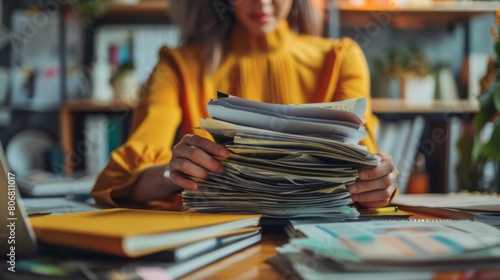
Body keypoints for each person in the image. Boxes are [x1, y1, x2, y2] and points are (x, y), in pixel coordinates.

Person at [91, 0, 399, 209]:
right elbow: (117, 180)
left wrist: (379, 181)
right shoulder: (177, 65)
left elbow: (365, 172)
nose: (261, 1)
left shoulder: (341, 58)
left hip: (319, 238)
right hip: (209, 243)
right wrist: (171, 173)